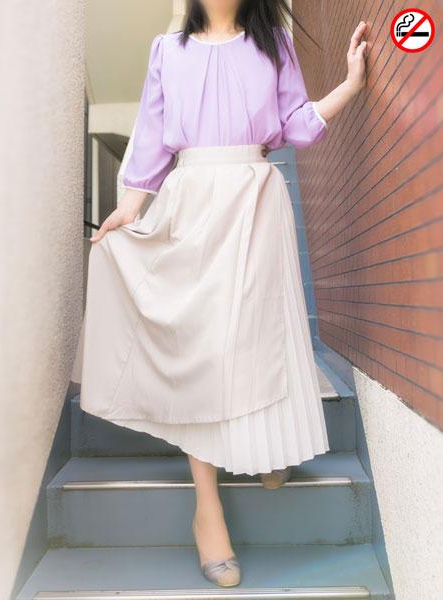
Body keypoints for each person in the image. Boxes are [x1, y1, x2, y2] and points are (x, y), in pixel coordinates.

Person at [74, 0, 367, 588]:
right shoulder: (168, 50)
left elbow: (295, 124)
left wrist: (351, 84)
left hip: (256, 202)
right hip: (189, 204)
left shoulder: (274, 42)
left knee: (257, 337)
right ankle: (206, 508)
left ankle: (267, 449)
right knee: (203, 350)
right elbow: (151, 139)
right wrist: (128, 208)